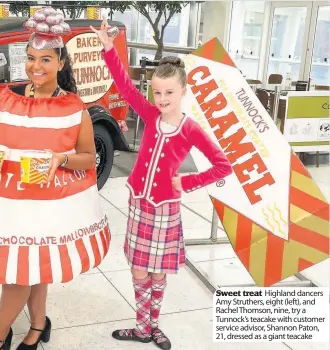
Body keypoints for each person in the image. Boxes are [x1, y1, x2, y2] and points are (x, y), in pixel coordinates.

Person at [0, 7, 111, 350]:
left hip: (48, 205)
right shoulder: (6, 98)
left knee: (22, 270)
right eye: (30, 58)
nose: (36, 67)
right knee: (26, 268)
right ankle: (38, 325)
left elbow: (88, 157)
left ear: (60, 64)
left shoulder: (74, 108)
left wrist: (60, 159)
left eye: (45, 60)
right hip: (5, 201)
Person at [91, 18, 232, 350]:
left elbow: (223, 165)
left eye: (169, 92)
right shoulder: (150, 115)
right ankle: (143, 327)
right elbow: (125, 85)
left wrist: (188, 180)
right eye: (157, 92)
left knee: (157, 273)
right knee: (139, 270)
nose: (162, 98)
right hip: (140, 204)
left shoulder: (191, 129)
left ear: (183, 91)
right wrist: (109, 48)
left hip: (166, 209)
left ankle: (152, 325)